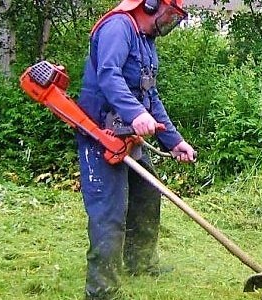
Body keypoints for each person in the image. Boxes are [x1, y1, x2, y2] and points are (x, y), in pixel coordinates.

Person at [76, 0, 195, 298]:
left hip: (126, 134)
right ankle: (102, 289)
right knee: (109, 211)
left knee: (146, 194)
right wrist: (136, 114)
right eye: (169, 14)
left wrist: (174, 141)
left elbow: (149, 95)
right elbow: (108, 74)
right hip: (100, 134)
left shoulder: (145, 41)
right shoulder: (118, 27)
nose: (169, 22)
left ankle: (140, 263)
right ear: (151, 5)